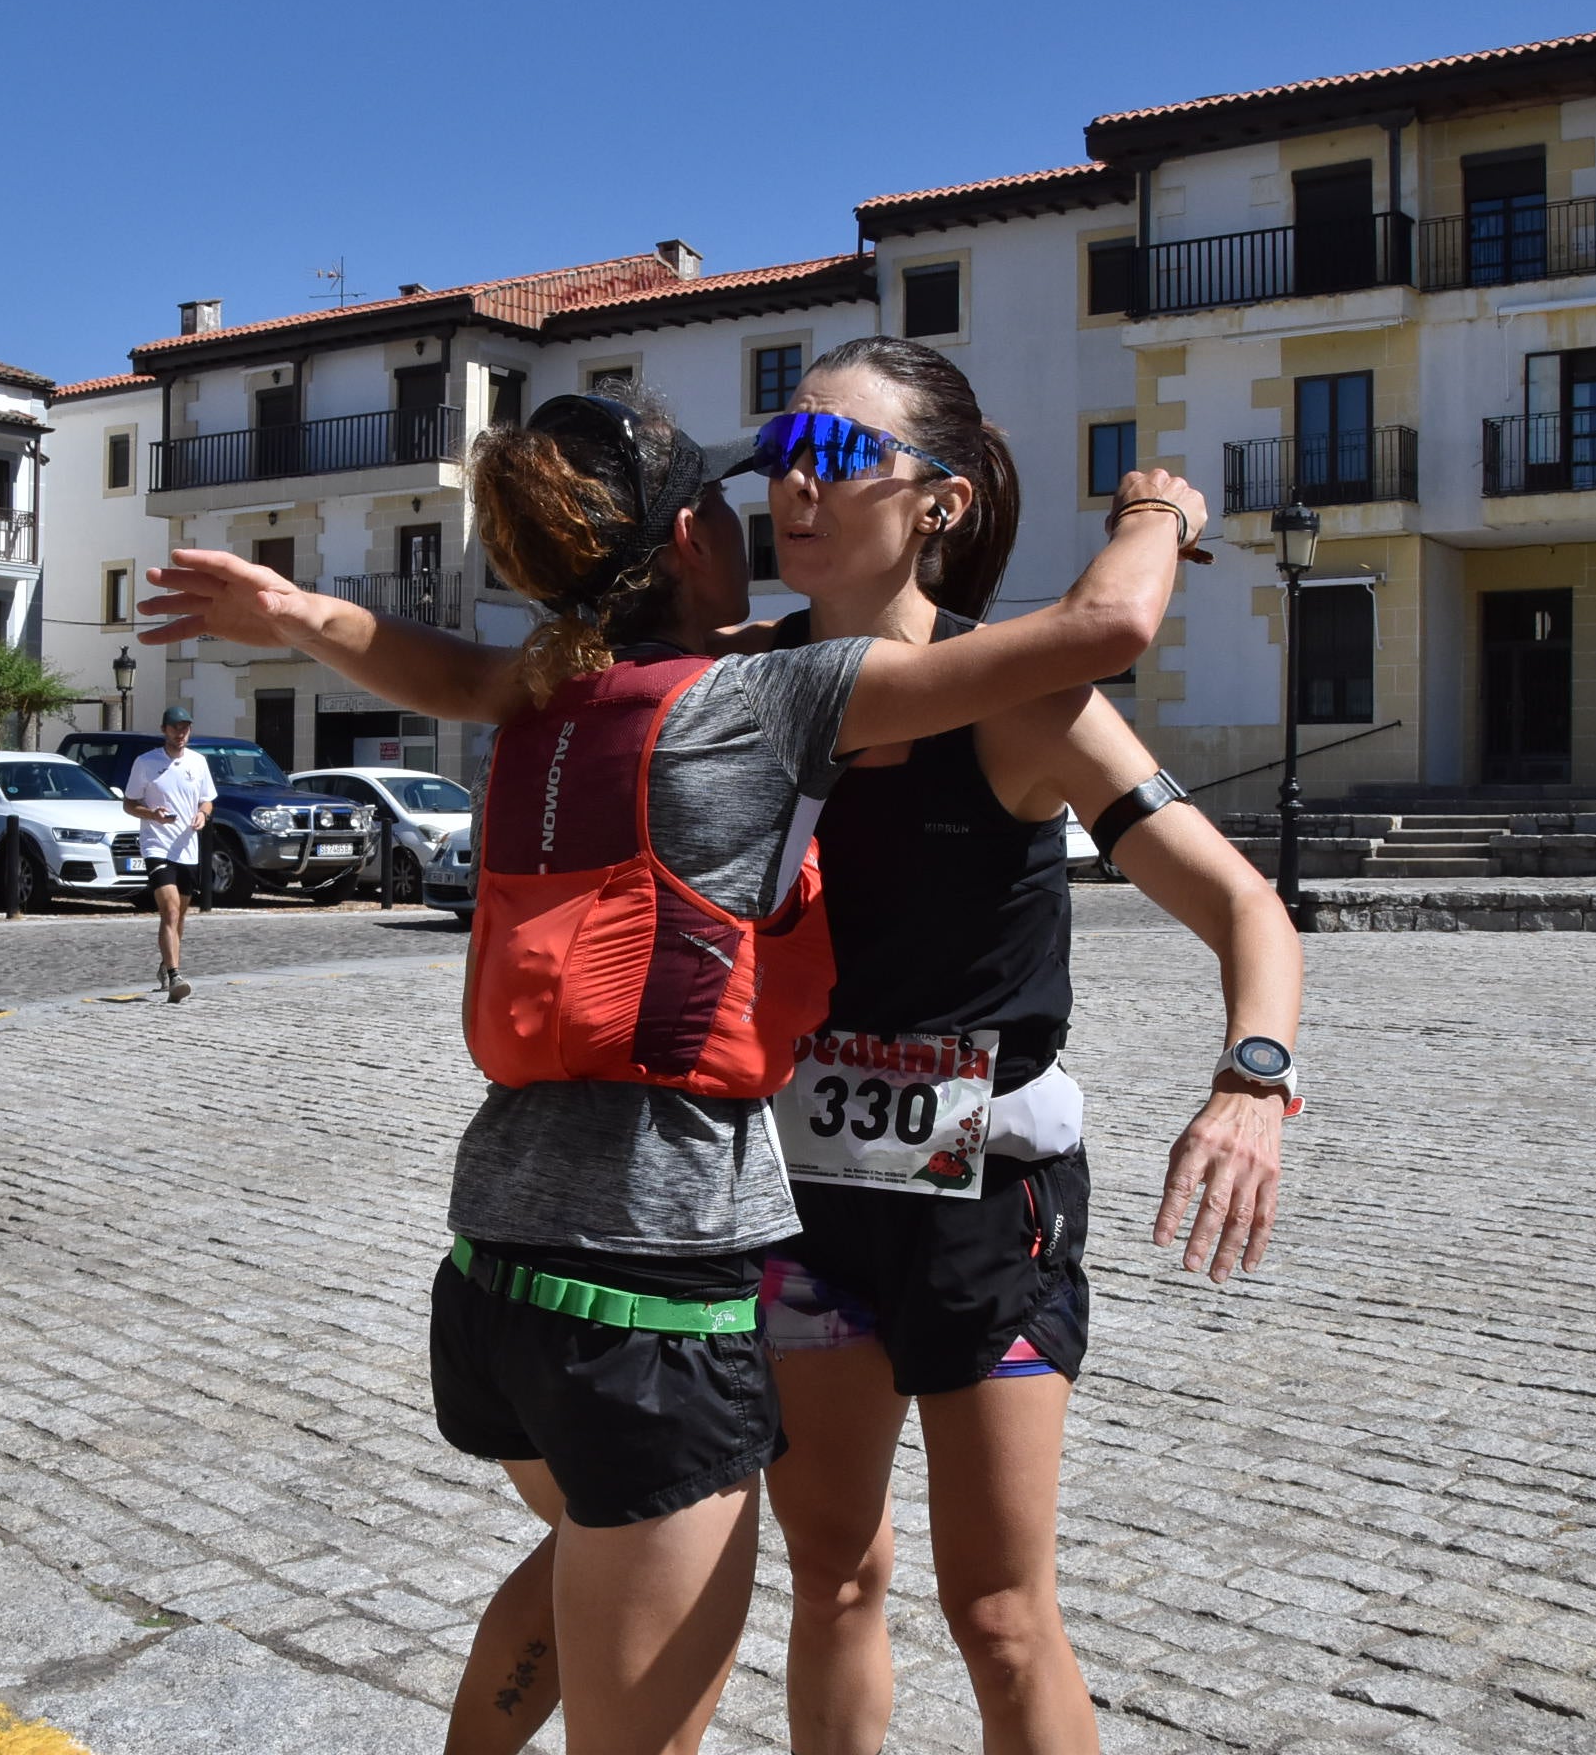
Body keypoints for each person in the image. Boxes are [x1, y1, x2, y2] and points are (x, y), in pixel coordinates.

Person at [140, 387, 1204, 1755]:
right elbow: (1102, 632)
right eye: (745, 485)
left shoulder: (552, 696)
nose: (780, 497)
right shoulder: (764, 697)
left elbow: (450, 671)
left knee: (586, 1561)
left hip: (491, 1283)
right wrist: (1157, 511)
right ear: (694, 534)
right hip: (645, 1299)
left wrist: (294, 616)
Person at [416, 340, 1302, 1755]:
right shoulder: (733, 682)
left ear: (938, 501)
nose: (795, 490)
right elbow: (498, 683)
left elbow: (1242, 905)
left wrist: (1251, 1083)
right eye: (783, 455)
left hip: (981, 1206)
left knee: (1001, 1610)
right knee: (835, 1575)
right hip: (803, 1203)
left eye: (837, 457)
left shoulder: (1012, 693)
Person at [124, 704, 216, 1001]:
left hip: (187, 847)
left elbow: (207, 800)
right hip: (157, 845)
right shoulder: (146, 762)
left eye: (185, 728)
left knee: (180, 918)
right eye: (175, 728)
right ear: (164, 729)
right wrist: (152, 814)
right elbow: (129, 803)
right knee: (170, 909)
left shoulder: (198, 762)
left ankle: (167, 963)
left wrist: (203, 814)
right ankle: (176, 976)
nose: (181, 733)